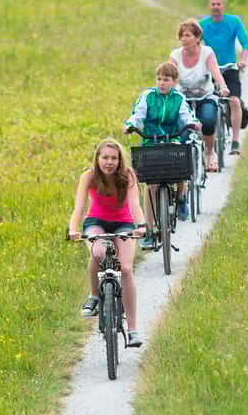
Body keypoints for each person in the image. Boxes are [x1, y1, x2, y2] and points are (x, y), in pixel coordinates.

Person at [68, 139, 148, 347]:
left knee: (127, 269)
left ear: (119, 160)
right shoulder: (89, 176)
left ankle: (132, 330)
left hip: (123, 223)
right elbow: (79, 206)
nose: (109, 162)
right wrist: (73, 229)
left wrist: (141, 225)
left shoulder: (127, 175)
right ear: (98, 159)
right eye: (105, 157)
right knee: (99, 252)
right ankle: (94, 296)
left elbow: (135, 205)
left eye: (114, 158)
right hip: (96, 222)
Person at [122, 62, 200, 248]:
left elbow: (186, 116)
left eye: (166, 79)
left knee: (180, 163)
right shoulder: (148, 96)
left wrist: (194, 123)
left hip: (171, 139)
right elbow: (138, 114)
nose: (161, 83)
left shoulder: (178, 98)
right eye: (159, 79)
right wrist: (130, 124)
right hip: (151, 141)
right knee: (151, 186)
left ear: (174, 82)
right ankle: (149, 230)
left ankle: (181, 197)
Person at [169, 18, 230, 173]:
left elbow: (215, 71)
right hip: (183, 99)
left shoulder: (206, 52)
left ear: (197, 38)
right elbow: (169, 75)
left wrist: (222, 86)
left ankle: (210, 153)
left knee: (208, 121)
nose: (184, 39)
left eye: (188, 35)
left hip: (205, 97)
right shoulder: (175, 55)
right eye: (182, 36)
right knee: (182, 131)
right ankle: (183, 163)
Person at [199, 0, 248, 155]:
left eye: (219, 4)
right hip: (209, 69)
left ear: (223, 6)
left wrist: (242, 60)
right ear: (209, 7)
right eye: (213, 4)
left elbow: (245, 42)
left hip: (229, 68)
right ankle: (207, 139)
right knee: (203, 102)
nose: (216, 7)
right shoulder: (202, 24)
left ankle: (235, 141)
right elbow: (195, 43)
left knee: (234, 101)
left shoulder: (234, 21)